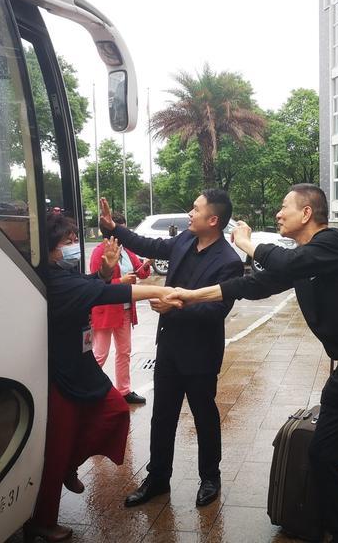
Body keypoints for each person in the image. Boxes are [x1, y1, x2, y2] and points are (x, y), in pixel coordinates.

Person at [169, 184, 338, 543]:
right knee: (323, 456)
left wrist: (247, 244)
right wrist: (191, 296)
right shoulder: (304, 259)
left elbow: (287, 263)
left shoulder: (335, 243)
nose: (278, 213)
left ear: (306, 213)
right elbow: (252, 285)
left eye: (283, 207)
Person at [25, 213, 180, 542]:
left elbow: (90, 285)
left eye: (74, 239)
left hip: (83, 367)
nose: (73, 245)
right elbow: (102, 293)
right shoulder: (53, 280)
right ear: (49, 246)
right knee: (56, 449)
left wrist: (105, 273)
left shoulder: (63, 274)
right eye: (67, 241)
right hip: (63, 373)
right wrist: (162, 291)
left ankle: (70, 465)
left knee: (116, 410)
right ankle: (43, 520)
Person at [99, 190, 243, 508]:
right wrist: (113, 228)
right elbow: (148, 245)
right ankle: (158, 478)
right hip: (169, 348)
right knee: (162, 417)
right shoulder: (184, 241)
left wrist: (173, 306)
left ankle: (210, 477)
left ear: (213, 220)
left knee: (204, 417)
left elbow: (216, 310)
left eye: (195, 209)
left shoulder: (229, 262)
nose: (190, 213)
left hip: (200, 354)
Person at [90, 212, 152, 404]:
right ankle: (87, 388)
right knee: (100, 353)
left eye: (125, 229)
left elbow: (140, 273)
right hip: (106, 310)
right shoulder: (99, 252)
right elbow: (95, 283)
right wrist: (120, 281)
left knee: (124, 351)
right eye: (120, 230)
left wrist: (146, 265)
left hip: (125, 309)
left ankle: (124, 390)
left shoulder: (127, 251)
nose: (125, 233)